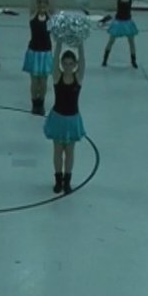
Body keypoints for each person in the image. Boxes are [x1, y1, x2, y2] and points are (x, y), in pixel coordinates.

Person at [43, 39, 86, 194]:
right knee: (57, 151)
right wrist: (59, 43)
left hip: (72, 119)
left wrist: (80, 43)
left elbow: (83, 62)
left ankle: (67, 180)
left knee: (69, 152)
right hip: (58, 118)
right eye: (65, 63)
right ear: (62, 64)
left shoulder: (78, 78)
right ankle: (58, 180)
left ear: (75, 65)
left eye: (70, 64)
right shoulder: (57, 76)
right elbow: (54, 62)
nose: (68, 66)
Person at [90, 0, 148, 68]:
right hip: (118, 22)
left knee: (131, 42)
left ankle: (133, 61)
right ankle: (105, 60)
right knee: (111, 41)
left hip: (128, 22)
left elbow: (145, 0)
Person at [23, 0, 54, 115]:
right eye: (39, 2)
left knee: (44, 81)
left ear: (47, 5)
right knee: (34, 81)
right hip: (34, 51)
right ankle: (34, 103)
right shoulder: (33, 15)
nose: (42, 5)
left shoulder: (50, 16)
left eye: (44, 3)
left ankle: (41, 102)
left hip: (46, 52)